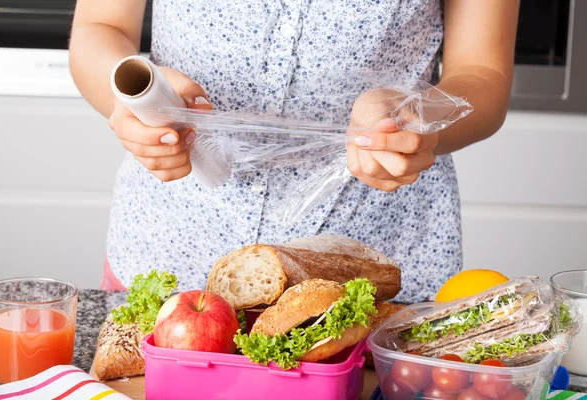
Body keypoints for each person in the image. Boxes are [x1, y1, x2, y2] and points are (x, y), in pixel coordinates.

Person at [69, 0, 519, 303]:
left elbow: (482, 72)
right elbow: (99, 27)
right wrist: (137, 100)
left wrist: (412, 116)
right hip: (174, 240)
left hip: (372, 260)